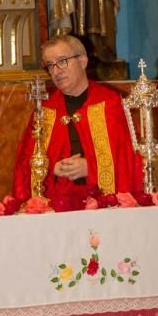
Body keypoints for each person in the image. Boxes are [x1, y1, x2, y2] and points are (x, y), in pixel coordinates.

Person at [13, 34, 143, 202]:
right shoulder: (44, 111)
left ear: (83, 62)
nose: (56, 71)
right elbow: (25, 165)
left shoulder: (111, 105)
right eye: (50, 66)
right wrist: (52, 167)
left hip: (102, 204)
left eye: (62, 61)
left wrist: (91, 168)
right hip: (56, 205)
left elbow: (130, 161)